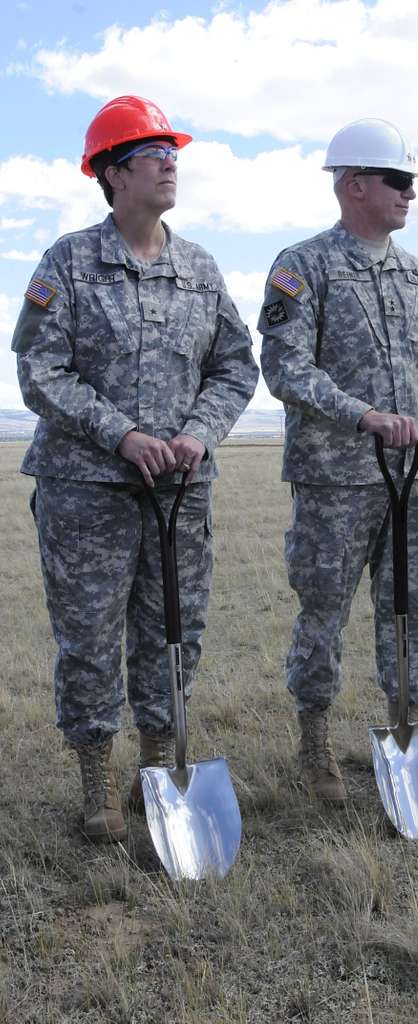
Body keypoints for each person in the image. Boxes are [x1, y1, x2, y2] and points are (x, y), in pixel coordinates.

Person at [11, 95, 258, 841]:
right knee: (88, 638)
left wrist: (198, 434)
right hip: (87, 492)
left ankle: (159, 770)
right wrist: (121, 434)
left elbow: (235, 368)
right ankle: (95, 787)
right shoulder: (70, 262)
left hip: (179, 493)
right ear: (112, 174)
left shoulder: (201, 269)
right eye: (152, 153)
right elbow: (40, 370)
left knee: (171, 632)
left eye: (173, 152)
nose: (169, 162)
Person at [258, 118, 418, 802]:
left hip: (413, 482)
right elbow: (285, 367)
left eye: (411, 182)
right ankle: (314, 744)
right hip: (334, 480)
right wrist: (363, 415)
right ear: (354, 186)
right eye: (397, 180)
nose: (410, 193)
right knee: (323, 613)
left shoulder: (417, 274)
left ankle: (405, 728)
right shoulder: (304, 266)